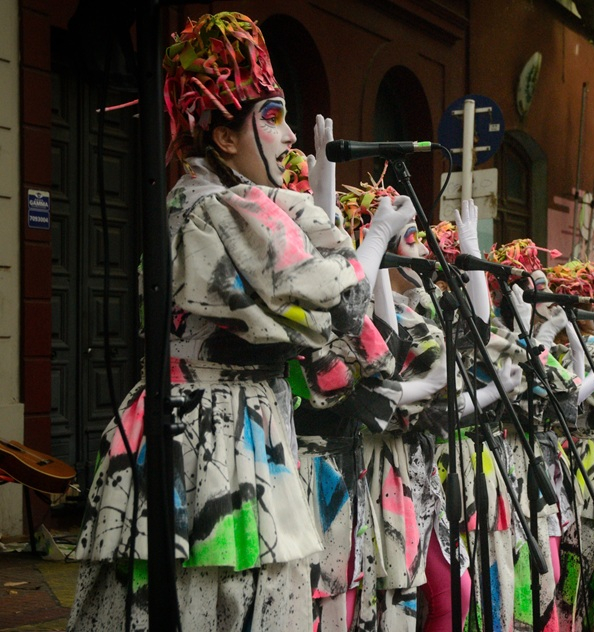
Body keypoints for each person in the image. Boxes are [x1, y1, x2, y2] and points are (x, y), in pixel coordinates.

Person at [68, 12, 407, 631]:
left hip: (205, 427)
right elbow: (346, 314)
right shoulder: (229, 209)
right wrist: (366, 237)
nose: (288, 137)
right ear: (224, 138)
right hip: (214, 439)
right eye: (271, 117)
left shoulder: (199, 203)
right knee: (226, 606)